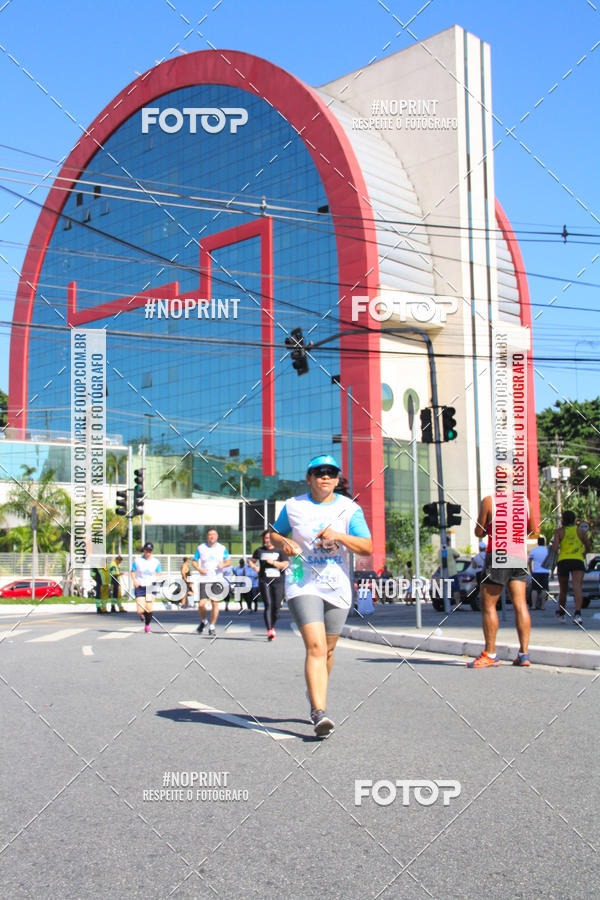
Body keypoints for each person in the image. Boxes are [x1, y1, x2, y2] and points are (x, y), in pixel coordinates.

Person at [270, 455, 372, 737]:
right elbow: (274, 535)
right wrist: (286, 542)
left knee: (327, 650)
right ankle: (319, 712)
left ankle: (314, 691)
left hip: (336, 586)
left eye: (330, 473)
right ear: (308, 478)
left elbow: (366, 546)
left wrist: (339, 536)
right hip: (302, 582)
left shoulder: (349, 508)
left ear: (337, 479)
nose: (324, 477)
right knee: (315, 647)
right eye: (318, 472)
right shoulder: (293, 506)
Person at [468, 490, 536, 668]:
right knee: (520, 604)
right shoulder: (525, 502)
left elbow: (479, 532)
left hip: (498, 554)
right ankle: (523, 654)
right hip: (518, 555)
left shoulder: (490, 501)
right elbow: (533, 530)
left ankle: (490, 654)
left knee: (488, 605)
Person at [551, 511, 592, 625]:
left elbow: (554, 549)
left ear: (563, 519)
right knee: (577, 587)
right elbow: (589, 545)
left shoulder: (559, 532)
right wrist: (584, 553)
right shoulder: (580, 531)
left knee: (563, 590)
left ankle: (562, 613)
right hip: (577, 560)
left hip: (563, 561)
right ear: (574, 519)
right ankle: (578, 614)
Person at [250, 530, 289, 640]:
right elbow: (251, 561)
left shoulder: (280, 551)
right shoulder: (259, 551)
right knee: (268, 604)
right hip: (264, 580)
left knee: (276, 607)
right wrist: (255, 567)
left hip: (278, 581)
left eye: (270, 538)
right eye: (266, 538)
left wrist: (274, 563)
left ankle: (272, 626)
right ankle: (269, 630)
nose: (268, 540)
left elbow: (285, 565)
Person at [192, 527, 230, 636]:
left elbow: (228, 561)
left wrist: (223, 564)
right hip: (204, 579)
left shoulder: (222, 548)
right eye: (209, 534)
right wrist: (199, 569)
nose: (211, 536)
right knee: (201, 605)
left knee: (215, 603)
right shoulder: (201, 548)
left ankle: (212, 626)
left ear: (217, 536)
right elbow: (194, 561)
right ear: (207, 536)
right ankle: (204, 621)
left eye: (213, 534)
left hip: (217, 579)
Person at [131, 542, 162, 633]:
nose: (148, 552)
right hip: (140, 586)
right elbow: (132, 571)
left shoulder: (155, 562)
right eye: (146, 550)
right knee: (140, 610)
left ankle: (147, 625)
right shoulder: (137, 560)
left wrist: (156, 577)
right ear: (144, 550)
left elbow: (159, 572)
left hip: (150, 587)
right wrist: (134, 581)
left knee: (149, 608)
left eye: (150, 550)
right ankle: (142, 615)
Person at [528, 536, 551, 610]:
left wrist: (531, 571)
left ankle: (533, 605)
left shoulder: (534, 550)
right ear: (544, 542)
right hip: (545, 571)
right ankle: (543, 606)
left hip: (536, 572)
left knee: (534, 589)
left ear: (537, 543)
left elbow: (529, 562)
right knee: (544, 589)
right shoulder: (547, 550)